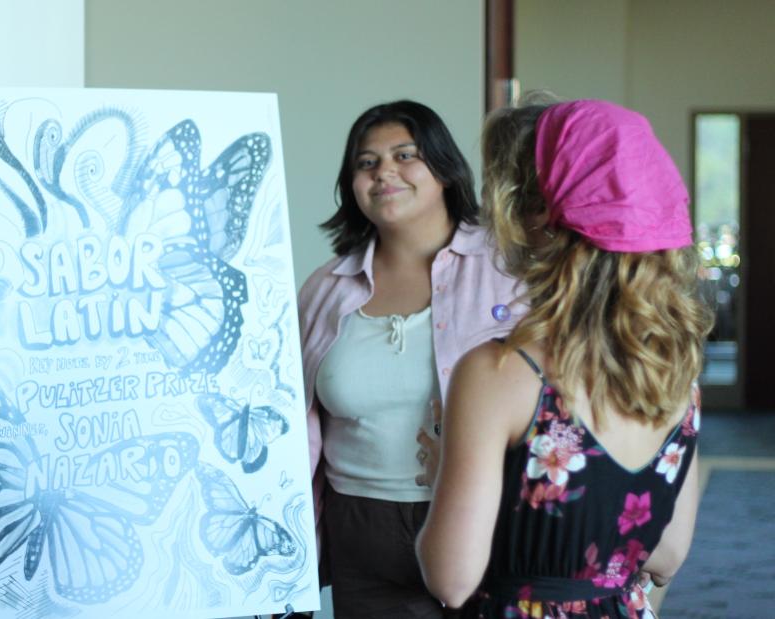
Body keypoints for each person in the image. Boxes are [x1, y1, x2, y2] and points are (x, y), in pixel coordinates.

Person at [415, 99, 713, 617]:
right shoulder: (673, 373)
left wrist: (446, 473)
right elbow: (666, 555)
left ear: (535, 222)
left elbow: (451, 578)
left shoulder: (498, 373)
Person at [297, 100, 523, 617]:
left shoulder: (509, 271)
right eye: (366, 162)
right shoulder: (324, 288)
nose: (384, 173)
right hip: (358, 529)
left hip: (480, 516)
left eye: (405, 155)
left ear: (444, 170)